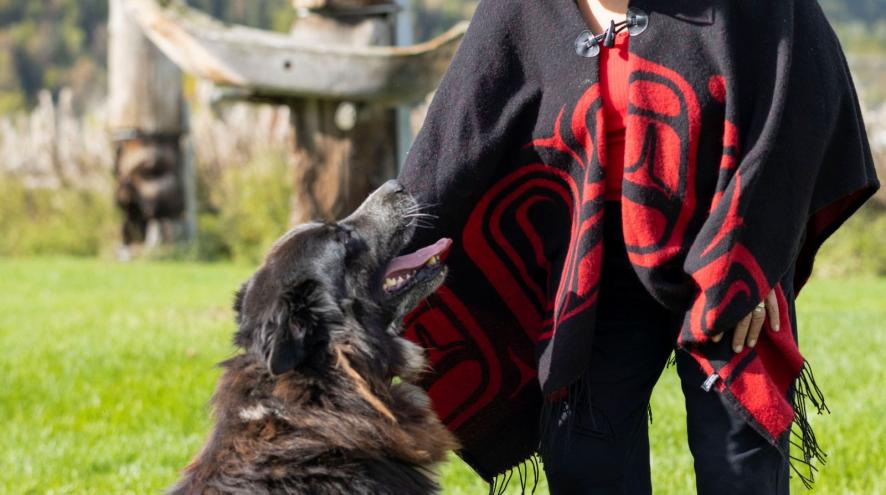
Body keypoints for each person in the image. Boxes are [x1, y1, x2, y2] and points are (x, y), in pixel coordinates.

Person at [397, 0, 879, 494]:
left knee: (739, 464)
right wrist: (375, 259)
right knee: (585, 457)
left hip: (727, 247)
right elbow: (453, 142)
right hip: (595, 266)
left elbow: (798, 112)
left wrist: (758, 257)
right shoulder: (523, 9)